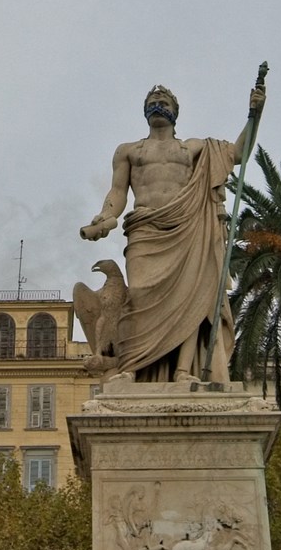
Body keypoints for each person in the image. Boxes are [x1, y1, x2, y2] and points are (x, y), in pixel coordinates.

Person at [80, 74, 265, 381]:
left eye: (163, 102)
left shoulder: (194, 149)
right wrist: (104, 218)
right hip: (144, 229)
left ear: (174, 111)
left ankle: (182, 371)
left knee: (192, 296)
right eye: (152, 102)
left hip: (187, 228)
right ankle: (131, 367)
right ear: (145, 111)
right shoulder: (128, 150)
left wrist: (253, 115)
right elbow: (117, 192)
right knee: (138, 294)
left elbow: (238, 153)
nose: (158, 105)